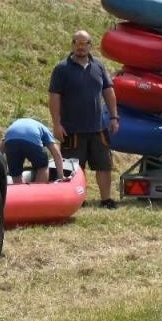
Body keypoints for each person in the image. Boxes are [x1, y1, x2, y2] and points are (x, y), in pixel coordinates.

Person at [47, 30, 120, 207]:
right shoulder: (61, 68)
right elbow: (54, 97)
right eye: (77, 43)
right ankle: (78, 199)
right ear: (72, 45)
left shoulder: (99, 67)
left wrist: (114, 117)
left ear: (90, 46)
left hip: (97, 128)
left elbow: (108, 92)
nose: (80, 47)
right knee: (75, 168)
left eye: (84, 43)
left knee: (104, 165)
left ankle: (106, 199)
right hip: (73, 129)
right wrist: (57, 124)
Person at [1, 117, 64, 184]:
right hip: (32, 137)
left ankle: (21, 192)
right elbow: (56, 154)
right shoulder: (44, 128)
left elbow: (0, 149)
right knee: (42, 167)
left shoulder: (18, 124)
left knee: (16, 174)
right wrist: (61, 176)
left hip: (10, 140)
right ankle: (38, 192)